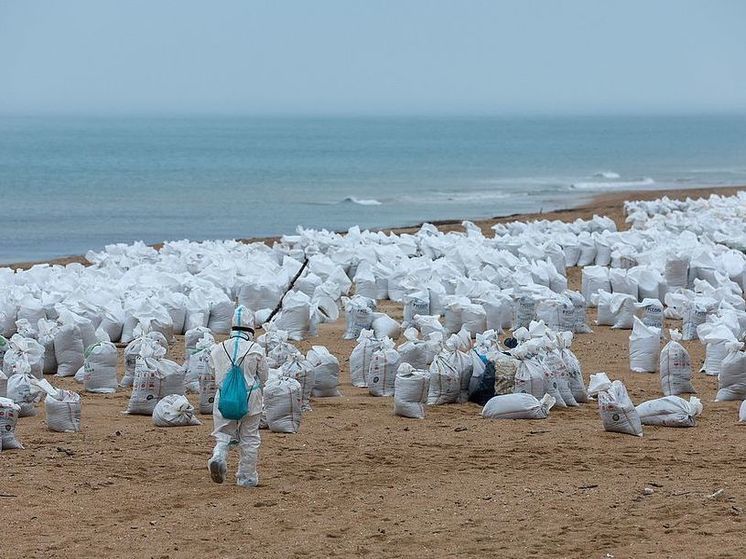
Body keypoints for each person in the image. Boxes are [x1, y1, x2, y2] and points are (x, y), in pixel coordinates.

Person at [207, 305, 268, 488]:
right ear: (250, 328)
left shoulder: (217, 349)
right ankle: (246, 477)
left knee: (224, 433)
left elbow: (213, 372)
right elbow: (264, 376)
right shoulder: (255, 349)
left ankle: (218, 457)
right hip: (251, 397)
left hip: (224, 397)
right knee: (249, 437)